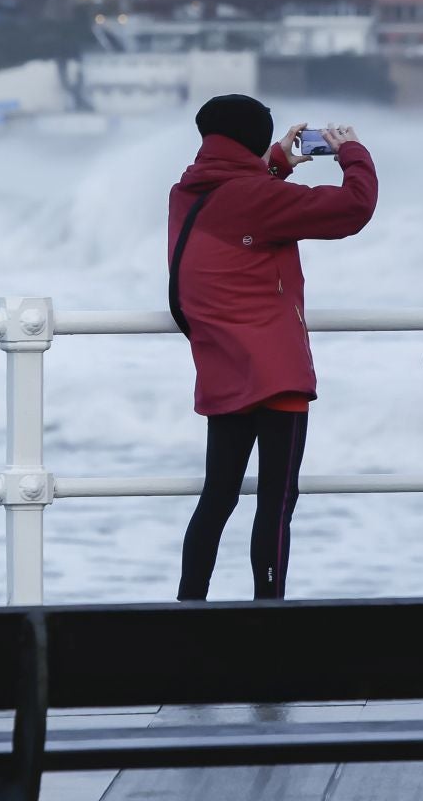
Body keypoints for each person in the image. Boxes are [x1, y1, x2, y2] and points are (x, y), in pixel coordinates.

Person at [169, 95, 378, 601]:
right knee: (277, 503)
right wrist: (353, 153)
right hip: (276, 374)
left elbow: (241, 205)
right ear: (252, 140)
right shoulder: (256, 199)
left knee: (217, 498)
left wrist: (276, 164)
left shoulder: (186, 192)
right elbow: (353, 208)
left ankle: (186, 607)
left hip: (223, 367)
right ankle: (269, 616)